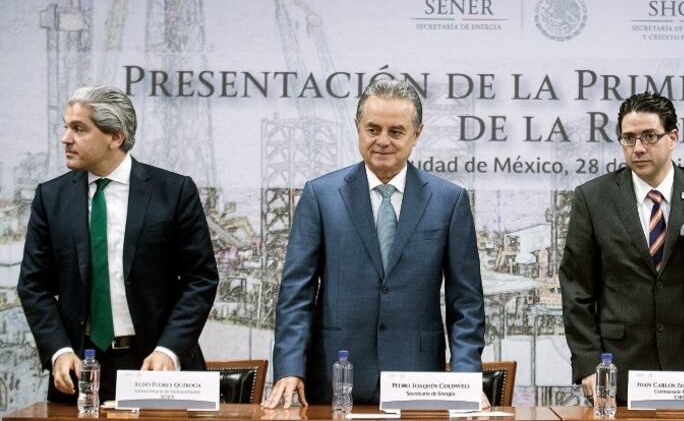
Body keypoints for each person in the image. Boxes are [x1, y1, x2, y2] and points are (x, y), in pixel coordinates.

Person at [264, 79, 485, 408]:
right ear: (357, 128)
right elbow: (296, 293)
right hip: (335, 378)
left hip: (418, 380)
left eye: (396, 131)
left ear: (417, 134)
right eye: (372, 129)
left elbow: (465, 304)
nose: (383, 141)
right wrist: (289, 367)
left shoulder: (448, 201)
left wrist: (466, 379)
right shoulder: (320, 196)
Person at [17, 85, 219, 402]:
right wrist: (58, 350)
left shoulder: (174, 191)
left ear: (115, 137)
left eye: (79, 128)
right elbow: (33, 285)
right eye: (66, 126)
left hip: (156, 367)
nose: (65, 138)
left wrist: (169, 349)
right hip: (79, 371)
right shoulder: (50, 197)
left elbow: (201, 280)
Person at [559, 92, 684, 401]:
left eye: (649, 136)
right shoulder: (593, 198)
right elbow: (576, 289)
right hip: (620, 371)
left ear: (673, 137)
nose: (638, 148)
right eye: (628, 138)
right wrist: (588, 364)